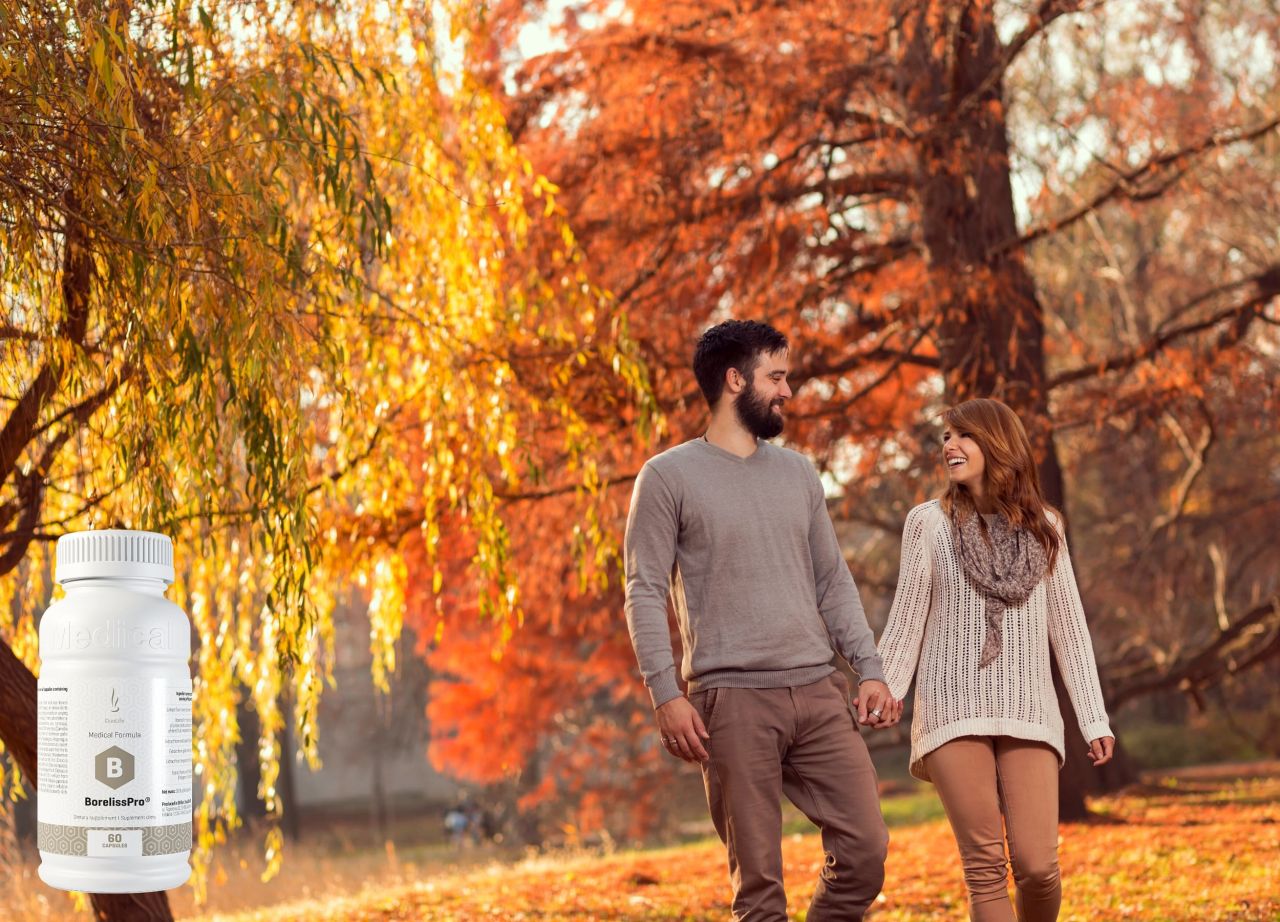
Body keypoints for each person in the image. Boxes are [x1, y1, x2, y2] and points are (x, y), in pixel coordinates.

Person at [623, 319, 895, 921]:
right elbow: (643, 591)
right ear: (734, 379)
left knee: (866, 849)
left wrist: (869, 669)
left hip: (818, 690)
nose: (788, 391)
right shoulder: (667, 477)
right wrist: (666, 694)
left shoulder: (798, 473)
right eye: (777, 377)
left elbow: (832, 580)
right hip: (732, 701)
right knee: (760, 891)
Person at [872, 397, 1114, 922]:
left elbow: (1068, 629)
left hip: (1029, 708)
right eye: (946, 438)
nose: (950, 447)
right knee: (985, 869)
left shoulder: (1047, 527)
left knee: (1037, 866)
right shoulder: (928, 524)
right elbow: (907, 618)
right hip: (951, 709)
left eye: (964, 436)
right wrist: (883, 687)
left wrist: (1092, 716)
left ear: (998, 444)